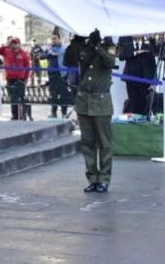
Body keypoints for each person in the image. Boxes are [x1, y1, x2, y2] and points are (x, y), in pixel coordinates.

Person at [64, 31, 116, 193]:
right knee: (88, 143)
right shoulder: (83, 47)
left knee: (104, 143)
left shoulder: (108, 46)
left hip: (101, 102)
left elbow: (109, 62)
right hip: (84, 100)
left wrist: (97, 46)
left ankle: (104, 179)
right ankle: (93, 178)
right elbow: (68, 61)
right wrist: (75, 42)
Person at [119, 35, 156, 116]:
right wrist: (134, 53)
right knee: (133, 103)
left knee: (144, 103)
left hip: (144, 80)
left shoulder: (148, 47)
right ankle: (134, 121)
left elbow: (153, 65)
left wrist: (154, 82)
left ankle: (143, 121)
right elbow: (121, 57)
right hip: (130, 79)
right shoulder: (127, 46)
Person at [0, 37, 31, 120]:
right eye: (12, 43)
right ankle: (14, 115)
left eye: (16, 43)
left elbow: (27, 66)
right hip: (10, 78)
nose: (14, 45)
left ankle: (23, 114)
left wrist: (26, 77)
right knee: (12, 97)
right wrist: (6, 45)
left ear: (19, 44)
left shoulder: (23, 53)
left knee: (21, 97)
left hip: (20, 78)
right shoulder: (6, 51)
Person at [45, 30, 71, 119]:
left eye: (55, 38)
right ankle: (53, 112)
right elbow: (41, 56)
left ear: (60, 39)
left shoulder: (65, 49)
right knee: (53, 95)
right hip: (53, 75)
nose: (54, 40)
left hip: (63, 75)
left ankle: (64, 113)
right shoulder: (49, 49)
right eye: (52, 39)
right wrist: (48, 54)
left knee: (64, 94)